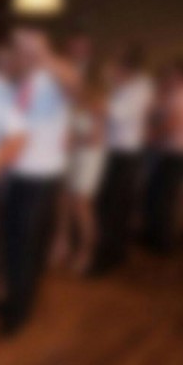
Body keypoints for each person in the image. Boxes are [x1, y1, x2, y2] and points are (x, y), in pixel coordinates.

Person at [2, 26, 80, 332]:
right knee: (14, 240)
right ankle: (16, 297)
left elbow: (74, 84)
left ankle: (19, 308)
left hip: (40, 175)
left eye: (27, 49)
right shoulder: (23, 82)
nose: (22, 54)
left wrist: (44, 54)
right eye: (19, 49)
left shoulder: (53, 78)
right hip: (17, 173)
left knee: (25, 242)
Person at [92, 44, 154, 272]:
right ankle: (110, 253)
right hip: (115, 153)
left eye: (115, 63)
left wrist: (104, 86)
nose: (111, 68)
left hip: (125, 155)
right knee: (108, 206)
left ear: (126, 66)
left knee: (114, 209)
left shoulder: (140, 87)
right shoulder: (126, 85)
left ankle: (108, 258)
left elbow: (110, 111)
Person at [50, 70, 107, 274]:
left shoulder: (98, 105)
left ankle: (86, 252)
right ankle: (61, 243)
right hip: (70, 155)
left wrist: (72, 141)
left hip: (88, 157)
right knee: (63, 200)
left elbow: (96, 138)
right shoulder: (71, 103)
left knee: (81, 204)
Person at [144, 61, 183, 253]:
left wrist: (150, 136)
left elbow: (172, 123)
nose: (170, 77)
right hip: (174, 152)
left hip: (178, 153)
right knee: (160, 195)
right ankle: (156, 236)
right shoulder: (182, 94)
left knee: (165, 198)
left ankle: (164, 243)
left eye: (174, 74)